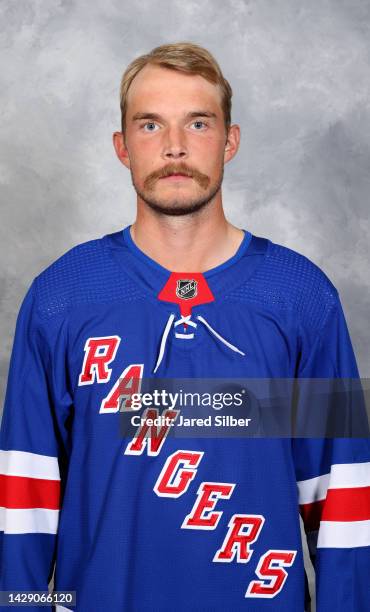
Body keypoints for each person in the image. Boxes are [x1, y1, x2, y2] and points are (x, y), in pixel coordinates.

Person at [0, 42, 369, 612]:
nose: (174, 146)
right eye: (150, 125)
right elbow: (27, 497)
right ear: (122, 147)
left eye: (198, 123)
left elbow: (341, 499)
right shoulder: (63, 295)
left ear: (230, 140)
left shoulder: (301, 297)